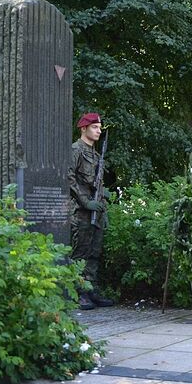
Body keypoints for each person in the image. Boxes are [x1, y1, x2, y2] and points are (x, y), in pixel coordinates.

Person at [68, 113, 114, 310]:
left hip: (96, 211)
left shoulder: (96, 156)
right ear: (83, 128)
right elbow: (68, 177)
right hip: (81, 211)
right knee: (81, 253)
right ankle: (79, 292)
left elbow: (98, 185)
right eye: (94, 127)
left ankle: (91, 290)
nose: (98, 130)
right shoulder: (75, 150)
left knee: (94, 253)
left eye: (99, 127)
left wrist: (103, 208)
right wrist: (86, 202)